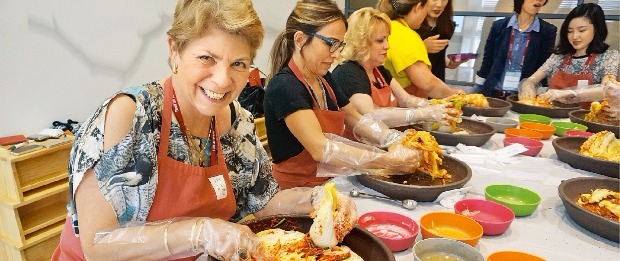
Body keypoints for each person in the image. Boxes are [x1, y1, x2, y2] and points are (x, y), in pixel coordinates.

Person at [52, 1, 356, 260]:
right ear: (174, 50)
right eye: (206, 58)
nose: (223, 80)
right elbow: (97, 245)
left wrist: (316, 199)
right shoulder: (128, 118)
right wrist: (198, 231)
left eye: (238, 63)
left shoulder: (238, 122)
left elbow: (262, 201)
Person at [265, 0, 424, 189]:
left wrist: (393, 138)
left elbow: (356, 118)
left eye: (340, 45)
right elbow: (320, 148)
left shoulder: (325, 79)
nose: (337, 54)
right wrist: (386, 160)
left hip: (330, 182)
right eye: (331, 44)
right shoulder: (285, 86)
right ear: (300, 39)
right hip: (297, 192)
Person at [332, 7, 461, 138]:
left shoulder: (380, 71)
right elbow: (371, 114)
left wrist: (434, 106)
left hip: (385, 141)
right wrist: (421, 114)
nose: (387, 46)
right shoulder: (348, 72)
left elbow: (405, 100)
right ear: (361, 42)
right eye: (380, 40)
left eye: (387, 39)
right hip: (360, 147)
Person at [519, 3, 619, 104]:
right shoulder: (559, 56)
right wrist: (527, 85)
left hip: (582, 117)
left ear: (597, 30)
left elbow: (607, 90)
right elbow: (532, 79)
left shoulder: (608, 57)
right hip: (551, 115)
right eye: (570, 31)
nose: (575, 36)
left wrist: (571, 93)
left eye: (581, 30)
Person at [376, 0, 464, 98]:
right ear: (418, 8)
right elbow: (428, 84)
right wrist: (455, 95)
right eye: (425, 11)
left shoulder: (388, 27)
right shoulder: (406, 36)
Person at [473, 0, 557, 99]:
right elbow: (487, 60)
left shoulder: (547, 31)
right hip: (494, 93)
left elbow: (544, 67)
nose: (538, 1)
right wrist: (478, 89)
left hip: (523, 97)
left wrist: (541, 94)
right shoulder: (499, 26)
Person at [415, 0, 468, 81]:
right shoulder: (411, 24)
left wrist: (449, 64)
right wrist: (422, 47)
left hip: (437, 81)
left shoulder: (448, 26)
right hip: (415, 81)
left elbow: (438, 57)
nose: (439, 4)